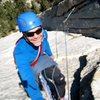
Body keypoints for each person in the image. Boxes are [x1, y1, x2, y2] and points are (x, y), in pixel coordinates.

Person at [14, 11, 66, 100]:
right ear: (24, 34)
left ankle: (60, 97)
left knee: (59, 78)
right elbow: (28, 79)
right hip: (30, 64)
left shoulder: (44, 33)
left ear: (42, 28)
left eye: (38, 31)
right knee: (35, 85)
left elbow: (45, 42)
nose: (36, 36)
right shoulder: (20, 52)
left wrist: (50, 54)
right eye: (30, 34)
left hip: (41, 57)